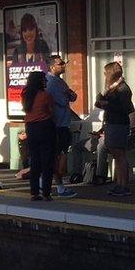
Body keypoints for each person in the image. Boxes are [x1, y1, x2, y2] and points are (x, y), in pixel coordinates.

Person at [94, 62, 135, 197]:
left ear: (112, 73)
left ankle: (124, 185)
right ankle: (119, 184)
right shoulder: (113, 88)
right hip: (112, 123)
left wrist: (106, 104)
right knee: (117, 155)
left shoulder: (122, 89)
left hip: (118, 124)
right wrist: (101, 101)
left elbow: (125, 109)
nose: (104, 75)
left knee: (120, 155)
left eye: (106, 72)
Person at [45, 55, 77, 198]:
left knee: (57, 156)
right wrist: (68, 93)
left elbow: (73, 97)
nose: (63, 65)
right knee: (59, 156)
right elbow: (65, 100)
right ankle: (59, 187)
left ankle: (54, 186)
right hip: (58, 124)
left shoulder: (59, 81)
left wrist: (69, 93)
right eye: (60, 63)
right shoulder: (53, 83)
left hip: (61, 123)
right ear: (52, 66)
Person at [21, 71, 56, 201]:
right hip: (45, 126)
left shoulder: (26, 95)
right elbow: (52, 111)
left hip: (30, 128)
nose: (46, 82)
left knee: (35, 160)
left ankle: (34, 192)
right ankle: (46, 192)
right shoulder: (45, 95)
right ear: (40, 81)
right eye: (44, 80)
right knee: (47, 160)